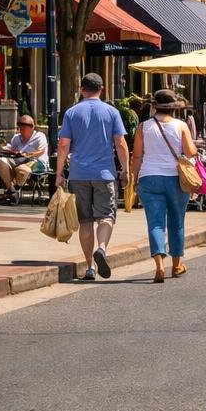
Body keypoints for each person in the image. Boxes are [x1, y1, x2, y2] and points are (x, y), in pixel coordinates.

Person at [56, 72, 129, 281]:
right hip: (104, 174)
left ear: (82, 89)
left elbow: (63, 145)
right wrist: (125, 170)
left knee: (85, 221)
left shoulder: (71, 113)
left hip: (79, 174)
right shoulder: (112, 112)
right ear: (102, 89)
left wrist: (59, 173)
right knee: (106, 216)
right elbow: (121, 144)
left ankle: (89, 267)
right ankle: (102, 248)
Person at [132, 89, 199, 282]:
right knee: (176, 221)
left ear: (155, 106)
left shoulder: (143, 127)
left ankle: (159, 265)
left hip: (149, 177)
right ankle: (176, 265)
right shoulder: (181, 125)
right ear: (173, 108)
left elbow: (137, 156)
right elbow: (190, 151)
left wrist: (134, 179)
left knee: (155, 223)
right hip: (175, 179)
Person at [0, 115, 49, 204]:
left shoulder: (39, 136)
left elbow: (41, 151)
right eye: (20, 128)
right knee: (0, 161)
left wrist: (27, 154)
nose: (21, 130)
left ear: (31, 127)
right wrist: (9, 150)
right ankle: (11, 189)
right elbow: (11, 148)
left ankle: (13, 192)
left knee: (22, 169)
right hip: (17, 160)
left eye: (23, 128)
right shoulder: (16, 138)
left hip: (35, 161)